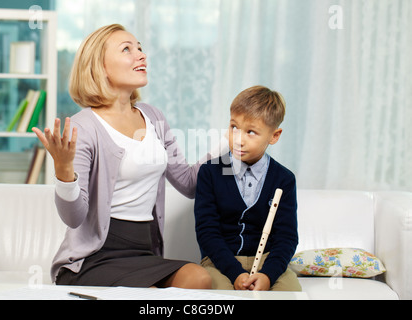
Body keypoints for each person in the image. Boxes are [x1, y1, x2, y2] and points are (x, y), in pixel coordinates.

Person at [32, 24, 213, 289]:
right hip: (92, 258)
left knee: (199, 278)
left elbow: (188, 183)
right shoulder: (85, 126)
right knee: (146, 296)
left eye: (139, 47)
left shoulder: (153, 117)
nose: (141, 55)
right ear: (100, 67)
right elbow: (74, 218)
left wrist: (230, 142)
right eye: (127, 49)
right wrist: (63, 168)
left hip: (143, 252)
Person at [194, 85, 302, 291]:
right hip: (220, 262)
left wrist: (268, 276)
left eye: (251, 132)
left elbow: (286, 237)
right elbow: (207, 233)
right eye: (234, 127)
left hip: (267, 262)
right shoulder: (210, 172)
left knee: (291, 294)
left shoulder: (284, 179)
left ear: (274, 136)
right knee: (218, 294)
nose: (238, 139)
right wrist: (235, 273)